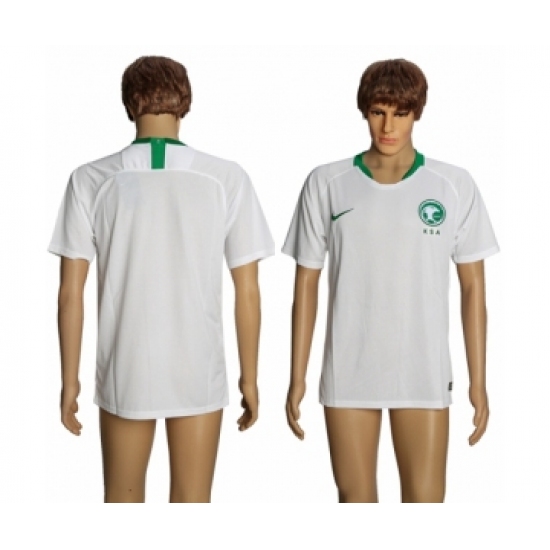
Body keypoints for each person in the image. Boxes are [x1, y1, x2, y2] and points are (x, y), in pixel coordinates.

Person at [49, 55, 274, 503]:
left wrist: (69, 380)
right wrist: (249, 377)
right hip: (199, 369)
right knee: (192, 502)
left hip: (127, 366)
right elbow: (247, 290)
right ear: (185, 102)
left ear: (128, 104)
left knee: (122, 501)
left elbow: (70, 294)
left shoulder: (91, 180)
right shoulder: (225, 178)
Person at [282, 58, 499, 503]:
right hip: (348, 368)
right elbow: (306, 285)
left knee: (425, 504)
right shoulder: (326, 183)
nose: (388, 126)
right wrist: (296, 376)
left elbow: (473, 288)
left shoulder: (452, 185)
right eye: (378, 112)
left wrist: (478, 380)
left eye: (400, 113)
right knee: (355, 501)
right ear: (364, 110)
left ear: (417, 113)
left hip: (423, 370)